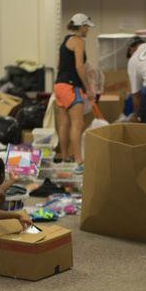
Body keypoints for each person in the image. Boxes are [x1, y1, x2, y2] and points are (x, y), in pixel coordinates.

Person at [53, 13, 95, 175]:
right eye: (87, 27)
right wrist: (88, 88)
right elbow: (79, 66)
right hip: (71, 86)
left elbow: (58, 65)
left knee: (64, 124)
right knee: (77, 124)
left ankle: (65, 158)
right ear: (82, 26)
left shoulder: (65, 40)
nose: (87, 31)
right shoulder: (78, 41)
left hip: (59, 85)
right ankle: (79, 161)